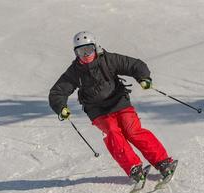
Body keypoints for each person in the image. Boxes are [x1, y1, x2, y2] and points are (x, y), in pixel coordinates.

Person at [49, 31, 175, 183]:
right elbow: (57, 92)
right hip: (97, 110)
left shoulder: (108, 60)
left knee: (132, 130)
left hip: (119, 101)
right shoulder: (75, 71)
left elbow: (135, 65)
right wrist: (61, 107)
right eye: (80, 51)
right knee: (112, 132)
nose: (85, 54)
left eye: (88, 49)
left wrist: (143, 78)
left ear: (95, 47)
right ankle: (133, 167)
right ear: (75, 53)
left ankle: (163, 162)